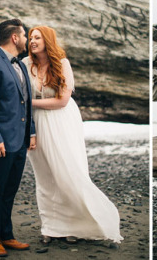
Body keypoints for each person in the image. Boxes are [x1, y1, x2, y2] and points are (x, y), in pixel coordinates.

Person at [23, 26, 123, 244]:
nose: (32, 41)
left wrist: (28, 103)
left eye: (37, 37)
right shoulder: (25, 64)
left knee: (69, 172)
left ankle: (78, 225)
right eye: (30, 37)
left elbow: (62, 100)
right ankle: (51, 227)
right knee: (45, 177)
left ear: (47, 40)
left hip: (62, 121)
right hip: (35, 123)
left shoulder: (62, 63)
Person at [0, 19, 36, 257]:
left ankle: (7, 235)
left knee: (10, 190)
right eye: (24, 35)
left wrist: (31, 132)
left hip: (19, 141)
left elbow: (26, 103)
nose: (27, 39)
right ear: (14, 37)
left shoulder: (20, 65)